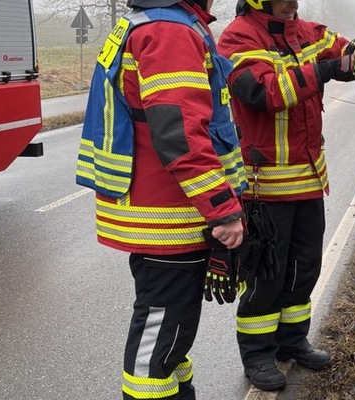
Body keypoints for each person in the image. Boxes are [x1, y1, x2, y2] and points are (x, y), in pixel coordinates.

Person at [75, 0, 248, 399]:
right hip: (168, 215)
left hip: (167, 208)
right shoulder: (169, 32)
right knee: (160, 336)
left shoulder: (153, 23)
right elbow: (180, 134)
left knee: (173, 330)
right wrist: (222, 209)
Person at [217, 0, 355, 391]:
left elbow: (339, 50)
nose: (292, 2)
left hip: (307, 181)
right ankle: (257, 353)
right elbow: (262, 92)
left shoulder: (306, 31)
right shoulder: (238, 36)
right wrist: (326, 69)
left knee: (304, 268)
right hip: (264, 185)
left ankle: (292, 340)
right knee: (265, 276)